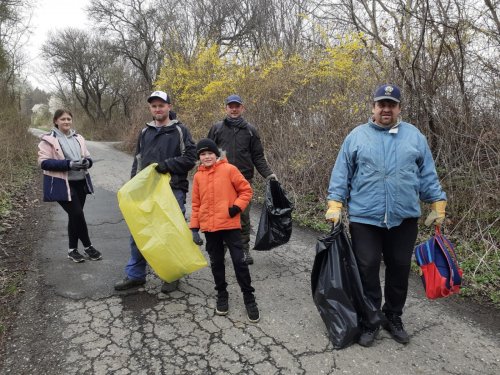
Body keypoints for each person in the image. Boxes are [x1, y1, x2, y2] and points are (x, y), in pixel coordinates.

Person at [325, 84, 447, 347]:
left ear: (399, 108)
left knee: (399, 269)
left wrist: (437, 202)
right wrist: (335, 203)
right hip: (365, 218)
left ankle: (393, 316)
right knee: (367, 268)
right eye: (381, 104)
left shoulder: (414, 137)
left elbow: (427, 174)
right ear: (373, 107)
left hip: (404, 218)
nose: (386, 109)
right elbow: (341, 173)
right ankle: (371, 319)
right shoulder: (356, 137)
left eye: (391, 104)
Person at [114, 91, 197, 292]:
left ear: (169, 106)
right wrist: (133, 185)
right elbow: (138, 160)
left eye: (161, 105)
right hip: (146, 191)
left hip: (172, 190)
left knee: (169, 233)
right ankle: (136, 275)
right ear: (150, 109)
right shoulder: (145, 132)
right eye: (154, 106)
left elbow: (191, 158)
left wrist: (166, 165)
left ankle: (172, 274)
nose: (158, 109)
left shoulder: (180, 130)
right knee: (139, 232)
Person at [190, 138, 260, 322]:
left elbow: (246, 190)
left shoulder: (229, 169)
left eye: (209, 153)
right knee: (216, 262)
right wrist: (194, 227)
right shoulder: (198, 176)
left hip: (229, 225)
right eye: (203, 154)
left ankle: (249, 297)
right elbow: (196, 203)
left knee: (239, 262)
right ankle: (222, 294)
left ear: (216, 154)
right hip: (209, 227)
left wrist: (236, 207)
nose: (206, 157)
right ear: (199, 157)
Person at [207, 94, 276, 265]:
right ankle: (220, 251)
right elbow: (207, 153)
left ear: (242, 108)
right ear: (226, 108)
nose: (234, 109)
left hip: (243, 182)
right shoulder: (216, 129)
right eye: (231, 106)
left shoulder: (251, 131)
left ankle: (244, 250)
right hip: (221, 181)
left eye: (237, 106)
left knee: (243, 217)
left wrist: (269, 174)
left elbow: (258, 156)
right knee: (221, 216)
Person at [38, 109, 102, 263]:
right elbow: (44, 162)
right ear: (56, 121)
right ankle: (88, 247)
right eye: (62, 119)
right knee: (78, 214)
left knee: (74, 216)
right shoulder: (48, 140)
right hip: (62, 184)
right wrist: (69, 164)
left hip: (81, 182)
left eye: (68, 119)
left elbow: (88, 157)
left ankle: (72, 250)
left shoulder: (79, 138)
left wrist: (87, 162)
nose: (66, 122)